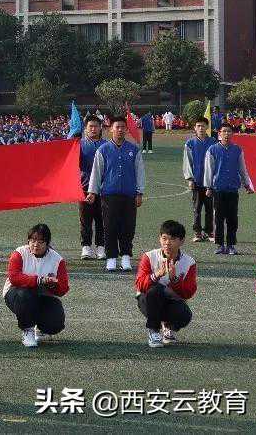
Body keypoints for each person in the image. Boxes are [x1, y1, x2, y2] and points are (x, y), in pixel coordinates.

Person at [86, 116, 145, 272]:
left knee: (128, 227)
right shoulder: (103, 150)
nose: (120, 130)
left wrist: (139, 192)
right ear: (110, 129)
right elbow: (96, 172)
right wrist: (92, 192)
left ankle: (125, 256)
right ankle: (111, 257)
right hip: (109, 196)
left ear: (126, 130)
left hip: (129, 195)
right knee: (110, 227)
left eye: (122, 127)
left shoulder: (134, 150)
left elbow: (139, 172)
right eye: (116, 127)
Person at [3, 223, 69, 348]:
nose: (35, 244)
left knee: (55, 323)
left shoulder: (57, 260)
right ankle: (27, 330)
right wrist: (38, 280)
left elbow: (63, 288)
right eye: (32, 240)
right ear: (28, 241)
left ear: (47, 243)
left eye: (40, 241)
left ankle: (41, 329)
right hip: (16, 294)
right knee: (24, 295)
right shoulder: (19, 253)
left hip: (43, 296)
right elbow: (14, 277)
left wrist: (53, 285)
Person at [135, 220, 197, 348]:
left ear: (182, 241)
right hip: (148, 301)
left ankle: (169, 328)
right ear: (160, 239)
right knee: (156, 290)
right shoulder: (149, 256)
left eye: (172, 239)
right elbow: (140, 284)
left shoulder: (189, 262)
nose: (167, 243)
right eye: (164, 238)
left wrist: (175, 281)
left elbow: (189, 292)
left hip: (171, 302)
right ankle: (153, 331)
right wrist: (156, 275)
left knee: (184, 315)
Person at [204, 124, 256, 255]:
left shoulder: (237, 150)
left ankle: (231, 245)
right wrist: (208, 187)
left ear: (232, 134)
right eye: (224, 131)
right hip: (218, 189)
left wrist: (247, 184)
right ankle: (220, 245)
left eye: (229, 131)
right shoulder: (212, 150)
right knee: (219, 218)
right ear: (219, 134)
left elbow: (242, 169)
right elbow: (209, 170)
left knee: (232, 218)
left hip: (233, 189)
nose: (226, 134)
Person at [182, 118, 217, 243]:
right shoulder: (190, 143)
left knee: (210, 208)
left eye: (203, 126)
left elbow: (217, 161)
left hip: (210, 183)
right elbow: (187, 162)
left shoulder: (213, 142)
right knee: (197, 208)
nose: (201, 128)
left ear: (207, 127)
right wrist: (190, 178)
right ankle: (197, 232)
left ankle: (209, 232)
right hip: (196, 181)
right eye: (198, 126)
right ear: (195, 128)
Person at [78, 115, 106, 260]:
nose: (93, 129)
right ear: (85, 129)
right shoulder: (79, 145)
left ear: (101, 128)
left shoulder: (107, 145)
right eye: (91, 126)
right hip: (84, 187)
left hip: (104, 189)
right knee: (85, 219)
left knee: (102, 219)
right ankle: (86, 247)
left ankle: (101, 247)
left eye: (96, 126)